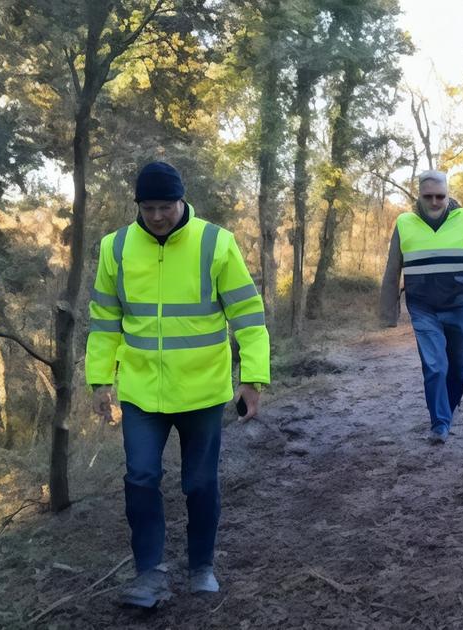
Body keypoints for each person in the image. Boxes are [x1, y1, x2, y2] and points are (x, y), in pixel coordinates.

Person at [86, 161, 269, 608]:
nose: (156, 216)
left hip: (202, 390)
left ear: (181, 200)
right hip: (141, 391)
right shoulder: (116, 247)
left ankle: (201, 565)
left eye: (164, 207)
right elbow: (105, 320)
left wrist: (253, 379)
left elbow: (248, 317)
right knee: (141, 477)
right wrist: (98, 379)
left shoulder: (215, 243)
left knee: (200, 483)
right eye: (147, 208)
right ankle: (149, 573)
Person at [379, 169, 463, 444]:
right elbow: (392, 269)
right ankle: (440, 424)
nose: (434, 202)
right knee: (435, 366)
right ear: (419, 196)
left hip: (458, 305)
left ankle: (448, 409)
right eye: (428, 196)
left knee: (459, 366)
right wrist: (388, 313)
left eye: (440, 196)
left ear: (448, 194)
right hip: (422, 308)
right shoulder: (405, 223)